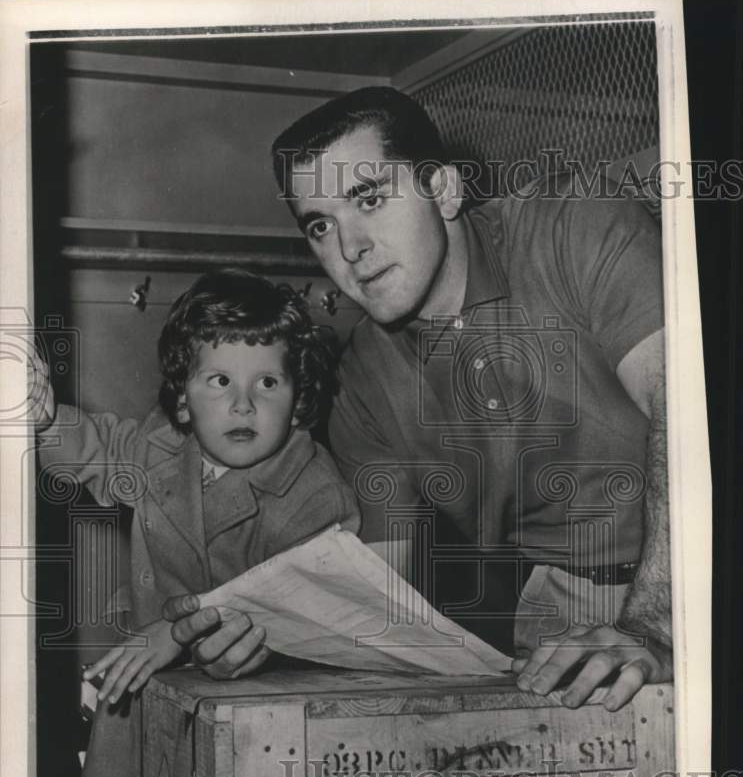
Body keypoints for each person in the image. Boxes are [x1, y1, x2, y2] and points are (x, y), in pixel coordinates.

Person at [165, 86, 673, 712]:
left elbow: (690, 416)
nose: (350, 249)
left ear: (445, 190)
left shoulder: (575, 224)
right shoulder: (361, 386)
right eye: (321, 226)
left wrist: (656, 626)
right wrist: (277, 641)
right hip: (557, 611)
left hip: (693, 576)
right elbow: (384, 594)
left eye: (370, 199)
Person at [30, 268, 359, 777]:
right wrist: (41, 418)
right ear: (183, 401)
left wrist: (178, 633)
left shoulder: (316, 493)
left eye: (268, 384)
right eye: (219, 382)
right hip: (135, 720)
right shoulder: (160, 450)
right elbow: (97, 449)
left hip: (253, 736)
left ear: (299, 400)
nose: (243, 404)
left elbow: (299, 609)